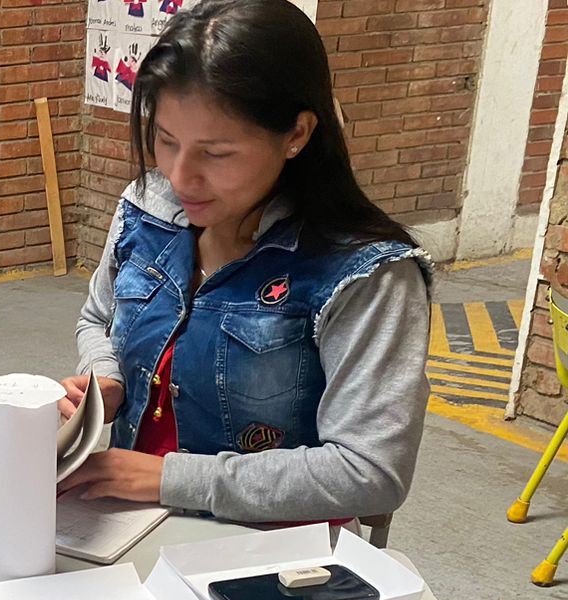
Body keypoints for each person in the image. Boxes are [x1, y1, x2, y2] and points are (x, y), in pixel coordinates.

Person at [59, 0, 432, 524]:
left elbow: (370, 472)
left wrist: (170, 479)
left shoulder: (365, 275)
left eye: (215, 153)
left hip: (269, 553)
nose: (180, 176)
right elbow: (98, 318)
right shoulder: (148, 209)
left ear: (297, 134)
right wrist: (107, 378)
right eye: (165, 140)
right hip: (130, 523)